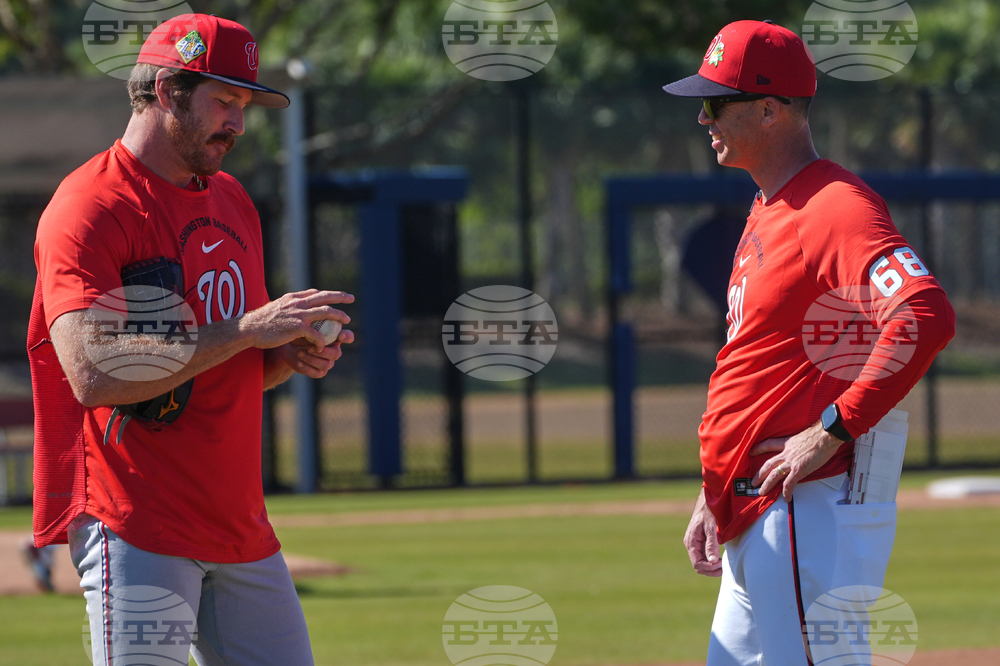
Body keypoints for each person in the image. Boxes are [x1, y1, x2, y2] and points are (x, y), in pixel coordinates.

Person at [26, 14, 351, 664]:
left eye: (245, 105)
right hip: (135, 522)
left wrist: (286, 355)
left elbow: (232, 361)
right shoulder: (88, 208)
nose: (238, 120)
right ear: (167, 90)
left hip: (240, 526)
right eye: (224, 100)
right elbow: (92, 375)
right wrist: (246, 330)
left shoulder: (232, 202)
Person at [661, 20, 955, 664]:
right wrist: (716, 489)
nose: (702, 118)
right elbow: (761, 364)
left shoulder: (835, 207)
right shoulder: (771, 205)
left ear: (769, 110)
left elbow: (924, 315)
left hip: (803, 509)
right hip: (757, 507)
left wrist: (830, 429)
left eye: (715, 102)